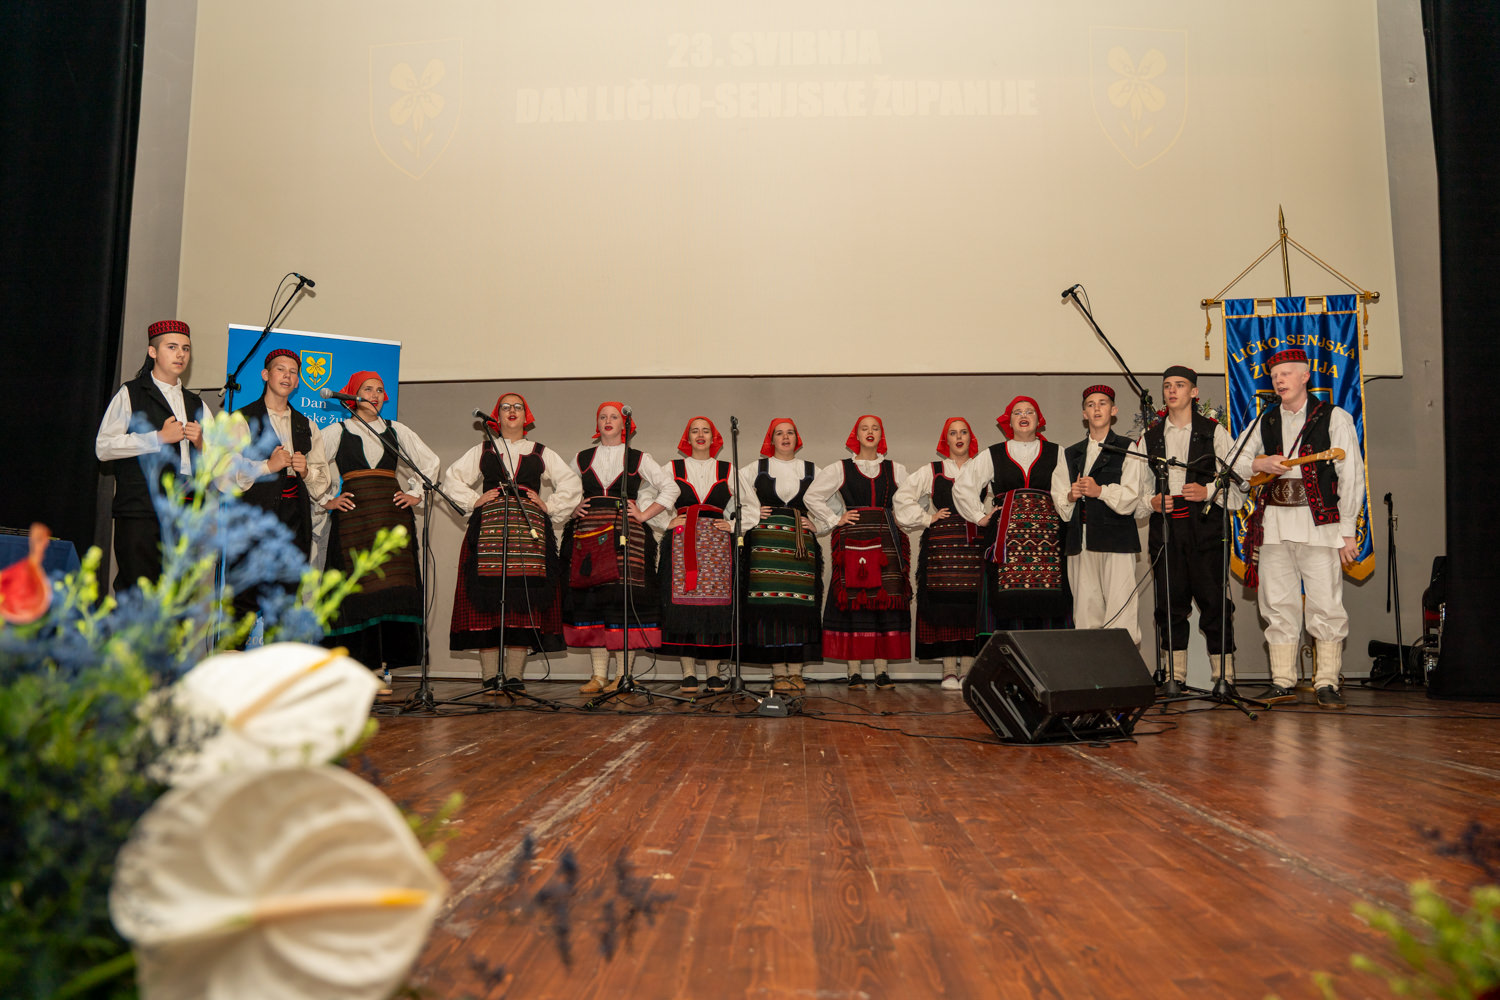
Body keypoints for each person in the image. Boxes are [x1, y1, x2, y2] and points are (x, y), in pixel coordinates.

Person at [1232, 348, 1365, 709]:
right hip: (1274, 525)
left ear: (1305, 376)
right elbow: (1232, 460)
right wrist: (1259, 463)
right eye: (1275, 375)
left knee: (1325, 603)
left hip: (1319, 524)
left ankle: (1327, 682)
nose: (1279, 380)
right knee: (1277, 604)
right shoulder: (1265, 420)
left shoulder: (1334, 417)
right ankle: (1282, 681)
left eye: (1287, 373)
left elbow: (1351, 475)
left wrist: (1347, 531)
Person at [443, 392, 581, 694]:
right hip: (488, 532)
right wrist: (474, 499)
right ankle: (489, 676)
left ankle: (515, 676)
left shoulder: (540, 452)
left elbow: (571, 483)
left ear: (526, 415)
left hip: (528, 534)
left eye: (518, 406)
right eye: (505, 407)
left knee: (522, 601)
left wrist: (549, 505)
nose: (512, 411)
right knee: (486, 604)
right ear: (496, 416)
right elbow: (452, 479)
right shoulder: (483, 450)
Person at [318, 371, 442, 686]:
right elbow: (311, 465)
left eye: (379, 390)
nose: (374, 395)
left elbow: (430, 463)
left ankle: (384, 667)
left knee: (391, 590)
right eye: (367, 389)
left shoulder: (396, 430)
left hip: (391, 518)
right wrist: (326, 498)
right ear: (352, 394)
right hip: (355, 520)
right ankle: (361, 668)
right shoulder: (336, 431)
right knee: (358, 590)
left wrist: (415, 493)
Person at [1135, 366, 1243, 694]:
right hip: (1167, 529)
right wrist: (1152, 501)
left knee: (1215, 602)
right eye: (1167, 385)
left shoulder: (1214, 433)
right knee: (1169, 603)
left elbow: (1238, 485)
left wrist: (1207, 491)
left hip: (1206, 528)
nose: (1172, 390)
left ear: (1194, 392)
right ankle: (1174, 677)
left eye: (1179, 385)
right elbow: (1136, 489)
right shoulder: (1150, 438)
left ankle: (1224, 678)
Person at [561, 402, 679, 694]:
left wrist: (644, 514)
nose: (608, 420)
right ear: (597, 423)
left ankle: (623, 674)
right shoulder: (581, 457)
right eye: (603, 416)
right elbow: (565, 490)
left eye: (614, 416)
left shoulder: (639, 458)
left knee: (623, 603)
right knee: (594, 601)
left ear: (625, 424)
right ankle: (598, 675)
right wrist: (571, 508)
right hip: (588, 533)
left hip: (627, 534)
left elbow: (671, 488)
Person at [96, 320, 206, 591]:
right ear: (153, 352)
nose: (180, 354)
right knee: (138, 591)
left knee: (177, 595)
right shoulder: (131, 393)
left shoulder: (197, 403)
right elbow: (104, 447)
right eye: (172, 347)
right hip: (141, 509)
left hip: (184, 511)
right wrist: (158, 438)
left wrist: (202, 444)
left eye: (186, 348)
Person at [805, 415, 911, 690]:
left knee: (883, 603)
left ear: (881, 435)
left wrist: (904, 519)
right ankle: (854, 672)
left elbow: (913, 498)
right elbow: (812, 496)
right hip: (853, 540)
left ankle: (881, 671)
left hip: (886, 540)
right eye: (864, 428)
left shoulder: (896, 469)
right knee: (854, 603)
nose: (870, 432)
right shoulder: (840, 468)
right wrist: (835, 519)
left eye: (875, 428)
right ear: (856, 435)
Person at [952, 396, 1069, 634]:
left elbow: (1066, 492)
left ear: (1039, 420)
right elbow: (963, 486)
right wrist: (979, 516)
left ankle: (1048, 652)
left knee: (1050, 597)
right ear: (1009, 421)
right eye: (1017, 412)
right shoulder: (993, 453)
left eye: (1029, 412)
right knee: (1005, 597)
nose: (1023, 416)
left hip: (1048, 540)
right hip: (1006, 539)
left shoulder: (1058, 452)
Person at [893, 418, 987, 690]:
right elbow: (902, 498)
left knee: (972, 606)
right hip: (942, 546)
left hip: (974, 544)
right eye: (953, 433)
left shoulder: (982, 466)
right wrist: (927, 518)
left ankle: (967, 671)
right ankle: (948, 671)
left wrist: (988, 514)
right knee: (944, 606)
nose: (959, 437)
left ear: (971, 438)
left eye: (963, 432)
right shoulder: (932, 471)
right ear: (946, 441)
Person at [1051, 385, 1147, 647]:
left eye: (1102, 403)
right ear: (1084, 414)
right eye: (1091, 405)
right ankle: (1091, 666)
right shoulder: (1070, 453)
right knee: (1086, 607)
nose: (1096, 409)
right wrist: (1071, 496)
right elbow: (1058, 496)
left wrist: (1100, 491)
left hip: (1116, 538)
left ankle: (1122, 666)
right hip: (1081, 540)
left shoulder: (1128, 447)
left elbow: (1132, 496)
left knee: (1121, 606)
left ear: (1113, 410)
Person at [738, 418, 824, 693]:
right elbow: (731, 496)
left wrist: (820, 524)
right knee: (769, 608)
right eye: (779, 433)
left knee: (799, 608)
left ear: (797, 438)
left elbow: (832, 503)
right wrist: (753, 511)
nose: (785, 438)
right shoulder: (755, 469)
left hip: (800, 547)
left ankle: (796, 671)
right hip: (765, 545)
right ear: (771, 439)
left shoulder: (812, 470)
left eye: (790, 433)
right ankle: (778, 672)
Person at [658, 417, 740, 692]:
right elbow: (648, 497)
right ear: (687, 437)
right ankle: (689, 672)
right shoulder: (672, 468)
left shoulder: (728, 469)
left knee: (715, 608)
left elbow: (749, 504)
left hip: (717, 545)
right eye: (695, 430)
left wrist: (733, 525)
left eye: (706, 430)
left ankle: (714, 672)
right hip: (682, 542)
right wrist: (664, 521)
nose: (700, 435)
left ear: (714, 438)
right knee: (684, 608)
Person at [231, 348, 332, 561]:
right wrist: (267, 466)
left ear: (297, 383)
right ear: (265, 375)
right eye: (280, 369)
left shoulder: (307, 425)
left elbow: (322, 483)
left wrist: (306, 472)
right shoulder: (242, 419)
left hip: (295, 520)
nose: (287, 375)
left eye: (293, 372)